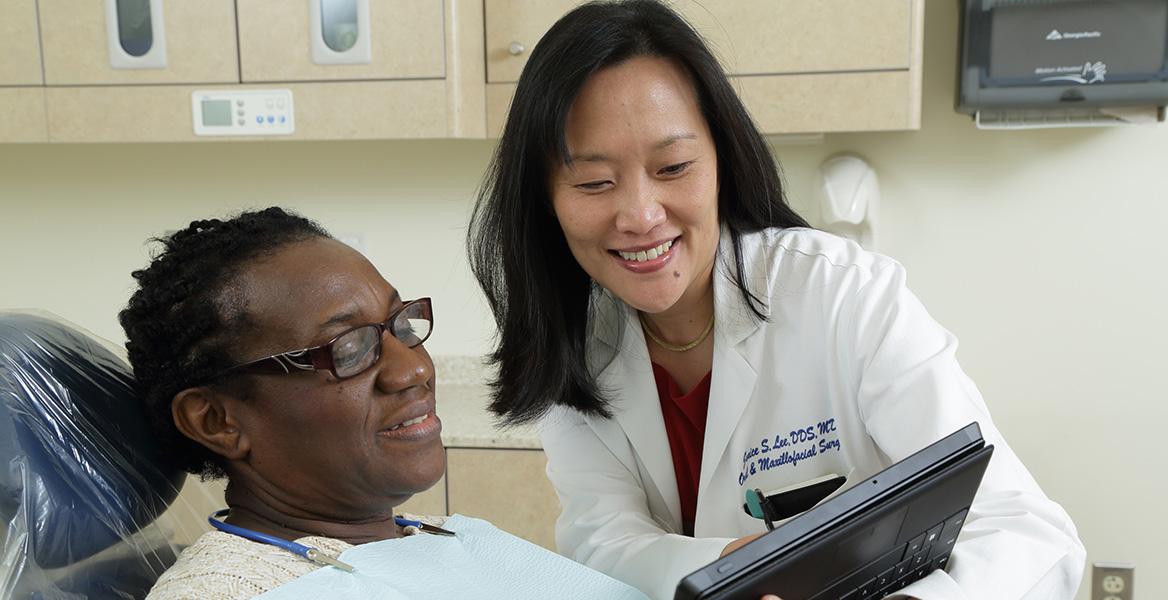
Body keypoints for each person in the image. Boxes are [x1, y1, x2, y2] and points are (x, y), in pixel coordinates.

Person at [467, 1, 1086, 599]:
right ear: (546, 200)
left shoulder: (844, 296)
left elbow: (1027, 532)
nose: (641, 215)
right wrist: (739, 566)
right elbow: (602, 541)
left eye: (674, 166)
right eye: (595, 182)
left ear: (721, 161)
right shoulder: (569, 341)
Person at [119, 207, 648, 600]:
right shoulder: (227, 593)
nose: (414, 368)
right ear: (218, 420)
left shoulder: (431, 535)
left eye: (401, 325)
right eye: (348, 349)